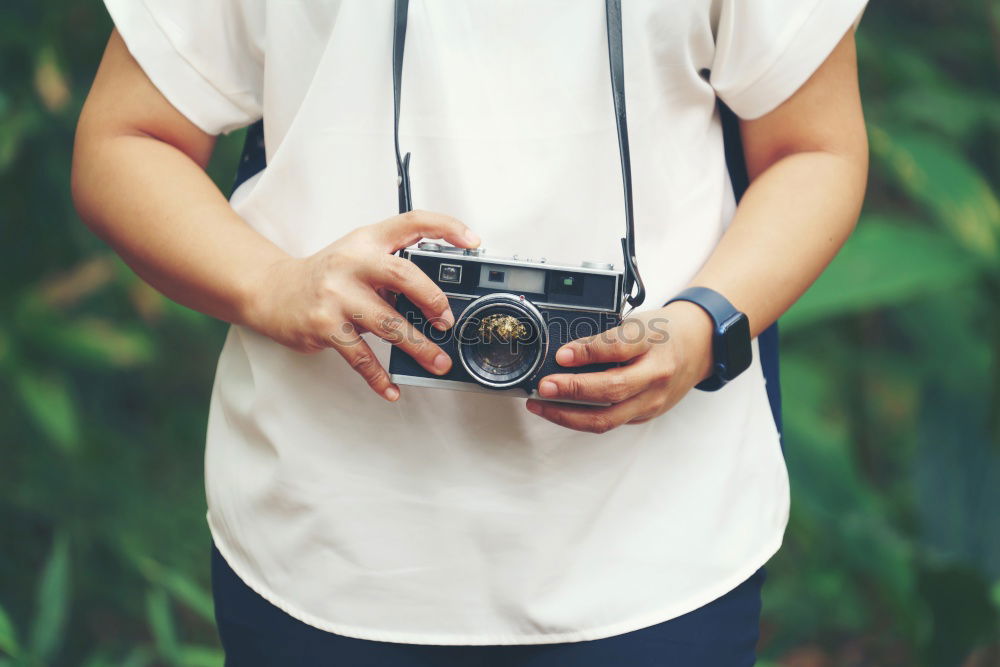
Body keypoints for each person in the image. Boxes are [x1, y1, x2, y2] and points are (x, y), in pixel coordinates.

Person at [72, 1, 869, 664]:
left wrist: (704, 325)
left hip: (658, 536)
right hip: (325, 534)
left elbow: (815, 147)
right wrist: (273, 284)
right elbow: (124, 140)